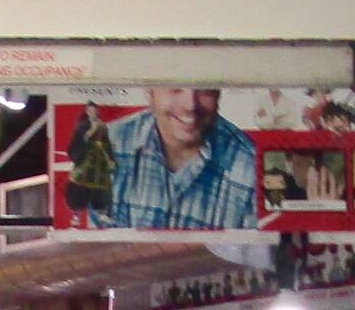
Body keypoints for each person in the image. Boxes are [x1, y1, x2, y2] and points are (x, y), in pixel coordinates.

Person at [103, 86, 257, 230]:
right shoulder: (108, 145)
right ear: (149, 91)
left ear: (218, 93)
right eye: (175, 87)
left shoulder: (252, 169)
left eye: (204, 88)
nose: (191, 105)